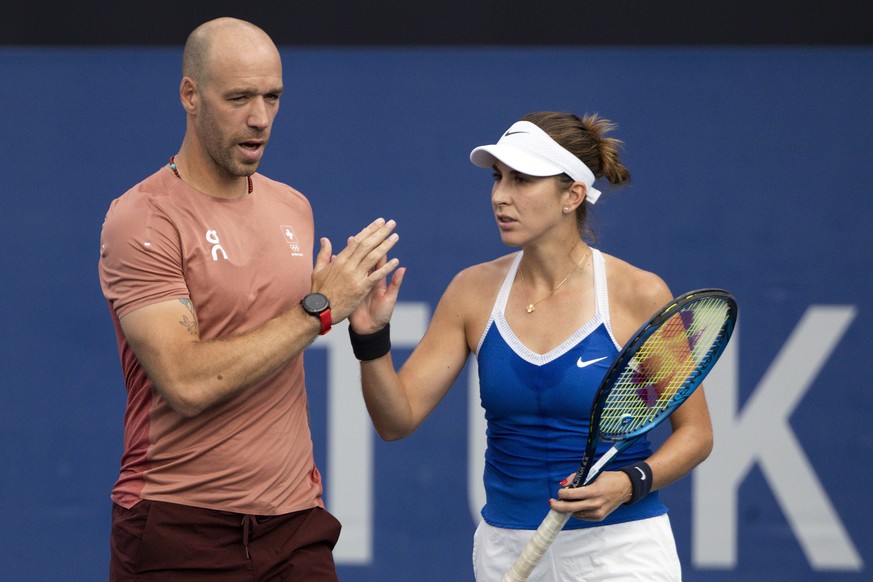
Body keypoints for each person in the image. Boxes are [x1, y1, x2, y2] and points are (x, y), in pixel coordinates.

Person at [348, 111, 712, 581]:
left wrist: (627, 483)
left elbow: (696, 434)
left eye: (522, 180)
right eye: (498, 178)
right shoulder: (471, 291)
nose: (500, 196)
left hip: (620, 549)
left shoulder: (638, 294)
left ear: (572, 195)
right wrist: (371, 338)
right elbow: (395, 421)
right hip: (507, 549)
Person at [98, 17, 400, 581]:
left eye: (272, 97)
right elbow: (185, 382)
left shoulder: (293, 207)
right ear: (190, 95)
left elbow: (284, 333)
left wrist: (358, 321)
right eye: (238, 98)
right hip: (177, 525)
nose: (260, 118)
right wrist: (317, 309)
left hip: (293, 525)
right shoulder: (142, 218)